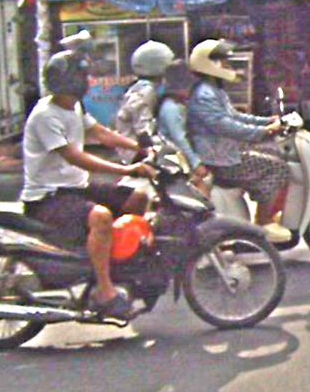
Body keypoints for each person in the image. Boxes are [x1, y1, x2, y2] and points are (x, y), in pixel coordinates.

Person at [20, 45, 156, 319]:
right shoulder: (46, 115)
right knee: (101, 217)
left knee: (137, 198)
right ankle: (104, 290)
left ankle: (117, 264)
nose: (88, 81)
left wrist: (140, 149)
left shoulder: (73, 106)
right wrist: (127, 169)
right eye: (83, 76)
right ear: (72, 80)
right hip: (47, 198)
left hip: (76, 189)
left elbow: (100, 133)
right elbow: (76, 157)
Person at [187, 39, 292, 243]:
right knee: (278, 168)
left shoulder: (214, 90)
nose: (228, 66)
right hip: (219, 160)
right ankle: (263, 222)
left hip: (225, 153)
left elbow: (235, 116)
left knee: (274, 156)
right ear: (210, 64)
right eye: (224, 62)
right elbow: (226, 126)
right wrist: (262, 132)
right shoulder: (205, 95)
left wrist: (267, 122)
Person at [115, 40, 178, 164]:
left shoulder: (141, 86)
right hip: (135, 149)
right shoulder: (146, 90)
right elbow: (142, 127)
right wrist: (150, 148)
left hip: (131, 145)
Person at [156, 63, 210, 195]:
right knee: (201, 189)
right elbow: (180, 139)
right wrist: (196, 164)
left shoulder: (176, 105)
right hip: (174, 159)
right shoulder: (172, 109)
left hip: (178, 156)